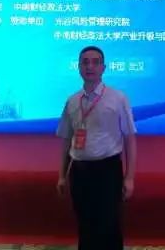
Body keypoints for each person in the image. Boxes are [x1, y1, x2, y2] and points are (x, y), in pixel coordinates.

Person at [56, 45, 137, 250]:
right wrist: (62, 175)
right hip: (79, 171)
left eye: (95, 62)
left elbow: (130, 138)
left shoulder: (118, 98)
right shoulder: (72, 101)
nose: (89, 66)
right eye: (85, 62)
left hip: (107, 171)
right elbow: (67, 140)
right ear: (78, 67)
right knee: (85, 225)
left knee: (109, 226)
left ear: (103, 68)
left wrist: (129, 178)